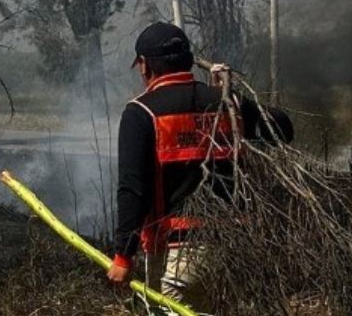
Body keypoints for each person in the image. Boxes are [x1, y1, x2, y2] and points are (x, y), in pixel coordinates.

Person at [106, 22, 293, 296]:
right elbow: (282, 129)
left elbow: (133, 188)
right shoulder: (228, 106)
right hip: (235, 252)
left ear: (144, 65)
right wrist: (228, 95)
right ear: (189, 61)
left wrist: (124, 255)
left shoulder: (142, 112)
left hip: (177, 256)